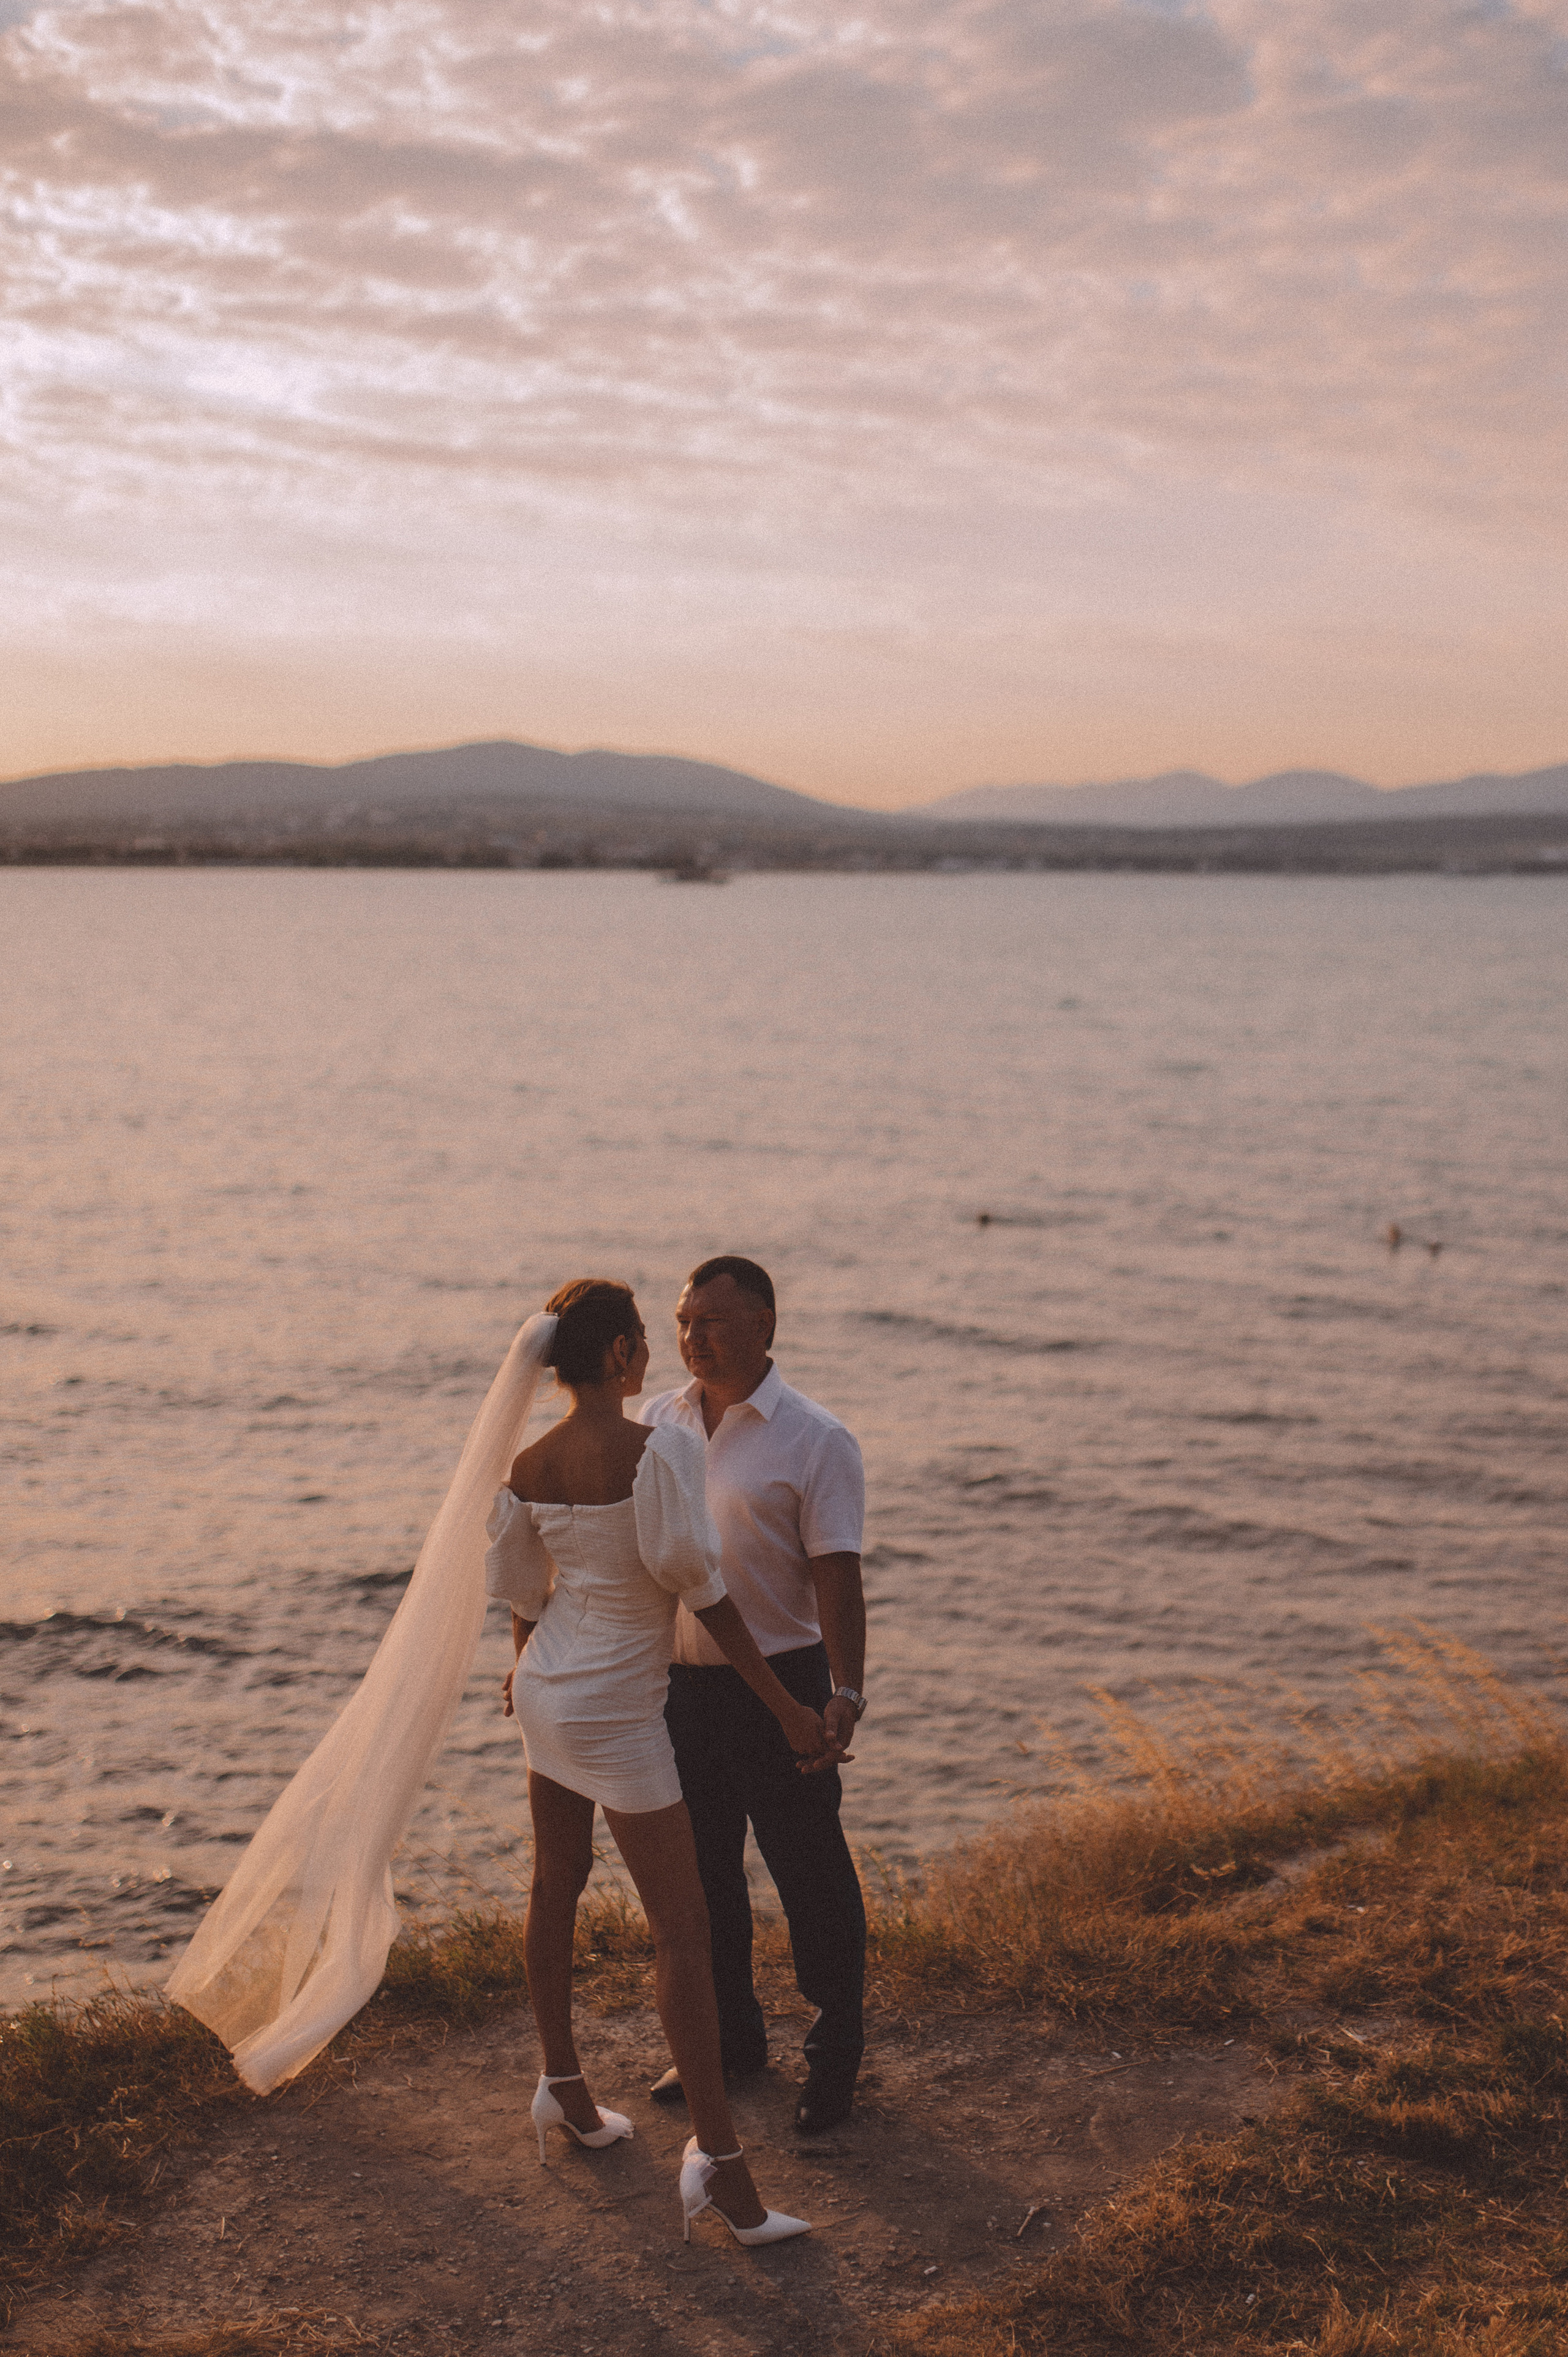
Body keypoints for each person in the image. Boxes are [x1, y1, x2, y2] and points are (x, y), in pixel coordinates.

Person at [487, 1277, 839, 2246]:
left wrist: (525, 1676)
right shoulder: (662, 1450)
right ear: (614, 1356)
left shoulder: (527, 1460)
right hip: (616, 1711)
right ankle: (723, 2173)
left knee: (555, 1885)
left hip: (550, 1691)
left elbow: (524, 1589)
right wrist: (786, 1708)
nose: (657, 1351)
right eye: (646, 1337)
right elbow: (704, 1593)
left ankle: (564, 2089)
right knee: (685, 1932)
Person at [640, 1256, 869, 2133]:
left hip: (784, 1687)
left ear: (766, 1326)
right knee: (702, 1883)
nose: (694, 1337)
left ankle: (834, 2057)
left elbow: (839, 1580)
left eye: (714, 1322)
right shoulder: (657, 1423)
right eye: (684, 1321)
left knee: (809, 1875)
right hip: (679, 1691)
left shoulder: (815, 1439)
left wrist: (846, 1692)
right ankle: (732, 2046)